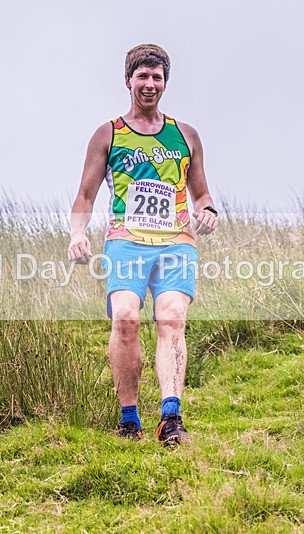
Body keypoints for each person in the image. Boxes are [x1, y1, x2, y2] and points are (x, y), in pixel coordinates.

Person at [68, 44, 218, 445]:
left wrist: (209, 212)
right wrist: (77, 233)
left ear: (165, 83)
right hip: (126, 242)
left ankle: (171, 419)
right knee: (126, 319)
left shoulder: (186, 135)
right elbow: (85, 195)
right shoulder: (108, 134)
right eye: (143, 77)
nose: (150, 84)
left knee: (171, 318)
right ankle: (129, 419)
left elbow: (201, 194)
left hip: (176, 243)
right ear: (128, 81)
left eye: (157, 77)